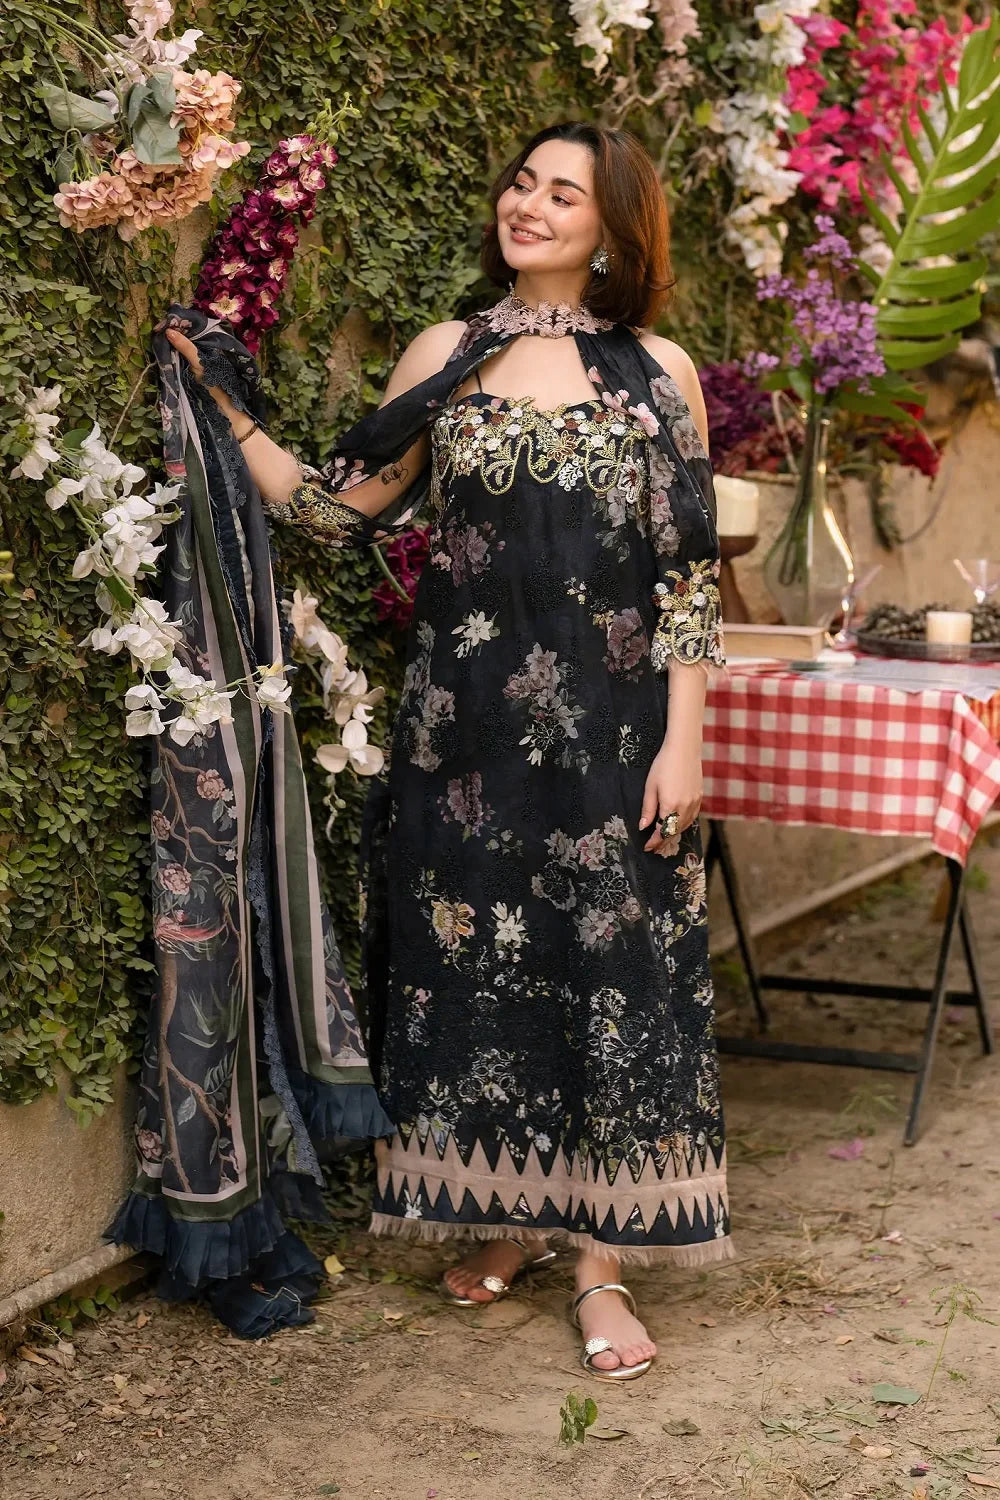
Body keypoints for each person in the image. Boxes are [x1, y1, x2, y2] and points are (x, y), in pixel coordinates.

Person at [165, 120, 731, 1381]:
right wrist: (225, 409)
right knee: (479, 971)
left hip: (616, 736)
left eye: (563, 193)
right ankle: (512, 1216)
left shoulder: (657, 372)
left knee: (610, 978)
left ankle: (600, 1265)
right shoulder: (448, 353)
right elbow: (338, 509)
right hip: (462, 736)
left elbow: (689, 582)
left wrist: (684, 743)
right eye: (522, 182)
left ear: (612, 228)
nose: (528, 204)